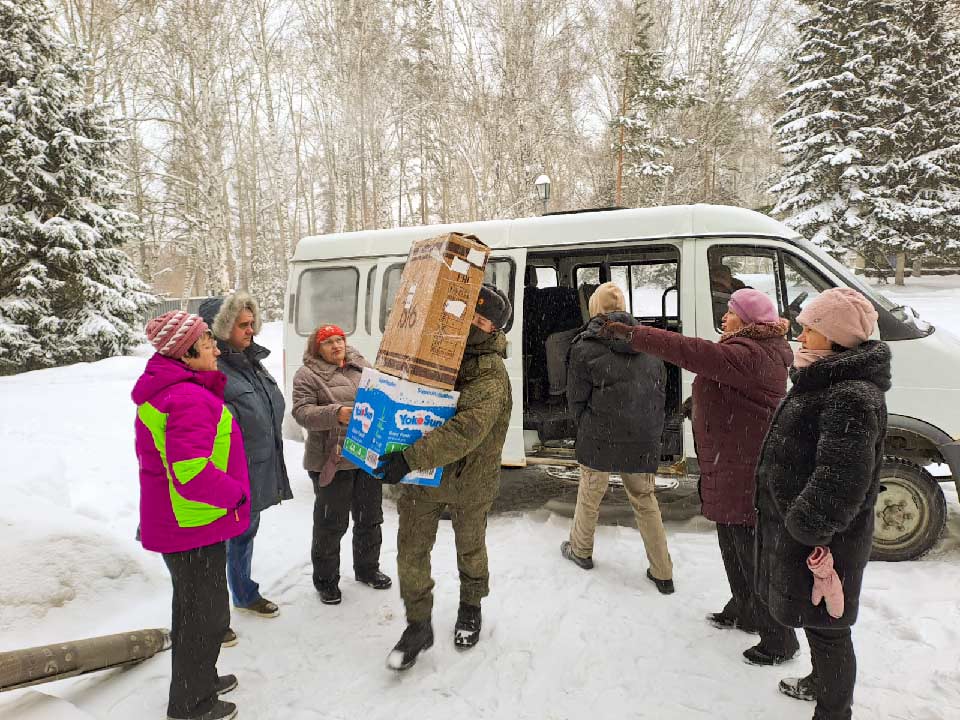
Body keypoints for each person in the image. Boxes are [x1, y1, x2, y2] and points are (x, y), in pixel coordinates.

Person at [601, 288, 800, 663]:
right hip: (733, 460)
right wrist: (701, 402)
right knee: (731, 538)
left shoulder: (749, 352)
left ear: (747, 319)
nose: (724, 319)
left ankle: (780, 639)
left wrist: (635, 334)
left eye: (730, 313)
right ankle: (744, 608)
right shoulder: (751, 350)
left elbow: (693, 352)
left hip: (747, 466)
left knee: (751, 551)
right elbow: (733, 386)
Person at [755, 288, 889, 720]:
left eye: (809, 329)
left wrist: (807, 526)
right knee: (818, 621)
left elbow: (843, 476)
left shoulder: (849, 393)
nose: (800, 335)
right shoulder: (826, 378)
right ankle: (819, 682)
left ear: (834, 337)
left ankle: (834, 711)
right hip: (813, 533)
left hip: (827, 539)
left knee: (830, 629)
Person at [378, 284, 513, 671]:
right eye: (468, 313)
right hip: (424, 478)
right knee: (411, 551)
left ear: (494, 328)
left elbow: (466, 430)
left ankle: (471, 606)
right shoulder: (436, 355)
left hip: (469, 480)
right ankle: (418, 624)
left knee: (470, 549)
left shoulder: (491, 375)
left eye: (482, 318)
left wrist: (408, 458)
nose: (472, 322)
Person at [133, 311, 250, 720]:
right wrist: (235, 496)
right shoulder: (186, 397)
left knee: (191, 611)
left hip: (183, 521)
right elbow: (191, 472)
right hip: (192, 524)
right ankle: (192, 705)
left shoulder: (173, 389)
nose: (216, 348)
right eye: (207, 343)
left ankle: (198, 679)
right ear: (186, 354)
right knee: (207, 616)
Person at [559, 282, 674, 594]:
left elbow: (576, 399)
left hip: (599, 434)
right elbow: (661, 391)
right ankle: (663, 571)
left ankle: (580, 551)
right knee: (645, 499)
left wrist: (587, 425)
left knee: (590, 494)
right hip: (642, 434)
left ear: (595, 309)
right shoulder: (650, 343)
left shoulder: (584, 346)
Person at [199, 292, 292, 629]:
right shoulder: (211, 370)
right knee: (214, 547)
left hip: (254, 468)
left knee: (242, 535)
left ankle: (242, 594)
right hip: (227, 476)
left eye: (252, 323)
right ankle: (212, 617)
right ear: (219, 329)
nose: (251, 330)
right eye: (242, 325)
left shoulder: (249, 361)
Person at [291, 323, 392, 605]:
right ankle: (326, 581)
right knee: (330, 524)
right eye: (328, 342)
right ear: (316, 348)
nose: (336, 346)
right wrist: (336, 414)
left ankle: (368, 569)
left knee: (369, 518)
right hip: (331, 461)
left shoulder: (361, 366)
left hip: (366, 456)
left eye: (339, 340)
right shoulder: (307, 374)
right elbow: (302, 412)